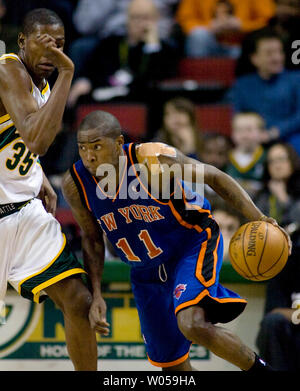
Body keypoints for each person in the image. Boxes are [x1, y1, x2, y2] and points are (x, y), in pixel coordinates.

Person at [62, 109, 292, 371]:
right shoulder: (75, 183)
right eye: (82, 148)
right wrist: (97, 293)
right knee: (171, 365)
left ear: (118, 144)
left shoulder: (152, 158)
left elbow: (215, 177)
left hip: (190, 245)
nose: (89, 156)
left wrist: (259, 217)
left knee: (191, 324)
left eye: (97, 146)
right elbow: (92, 239)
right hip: (145, 270)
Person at [0, 8, 100, 371]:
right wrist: (68, 72)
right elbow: (38, 139)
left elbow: (24, 142)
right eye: (44, 44)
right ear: (23, 42)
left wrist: (37, 173)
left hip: (24, 213)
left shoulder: (40, 82)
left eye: (60, 45)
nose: (53, 53)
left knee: (78, 300)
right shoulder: (8, 69)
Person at [67, 0, 180, 108]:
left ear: (156, 20)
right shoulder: (111, 44)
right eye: (135, 18)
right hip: (106, 100)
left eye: (146, 18)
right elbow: (93, 71)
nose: (140, 23)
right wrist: (85, 81)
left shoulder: (163, 50)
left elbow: (156, 80)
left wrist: (152, 46)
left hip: (139, 104)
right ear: (127, 19)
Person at [254, 142, 300, 370]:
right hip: (285, 265)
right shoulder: (261, 198)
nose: (278, 165)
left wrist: (282, 198)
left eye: (282, 158)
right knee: (272, 324)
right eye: (272, 160)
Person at [230, 29, 300, 155]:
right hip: (254, 139)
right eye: (269, 53)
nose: (277, 58)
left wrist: (275, 132)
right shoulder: (242, 85)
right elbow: (238, 116)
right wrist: (252, 133)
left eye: (279, 52)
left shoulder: (296, 79)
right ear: (254, 58)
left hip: (290, 138)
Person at [176, 0, 274, 58]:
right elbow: (184, 19)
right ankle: (197, 83)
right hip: (209, 41)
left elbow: (268, 19)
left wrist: (242, 25)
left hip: (241, 42)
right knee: (198, 35)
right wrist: (210, 26)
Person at [226, 112, 266, 198]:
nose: (244, 135)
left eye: (249, 130)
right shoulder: (225, 158)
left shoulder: (268, 157)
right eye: (239, 130)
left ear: (262, 133)